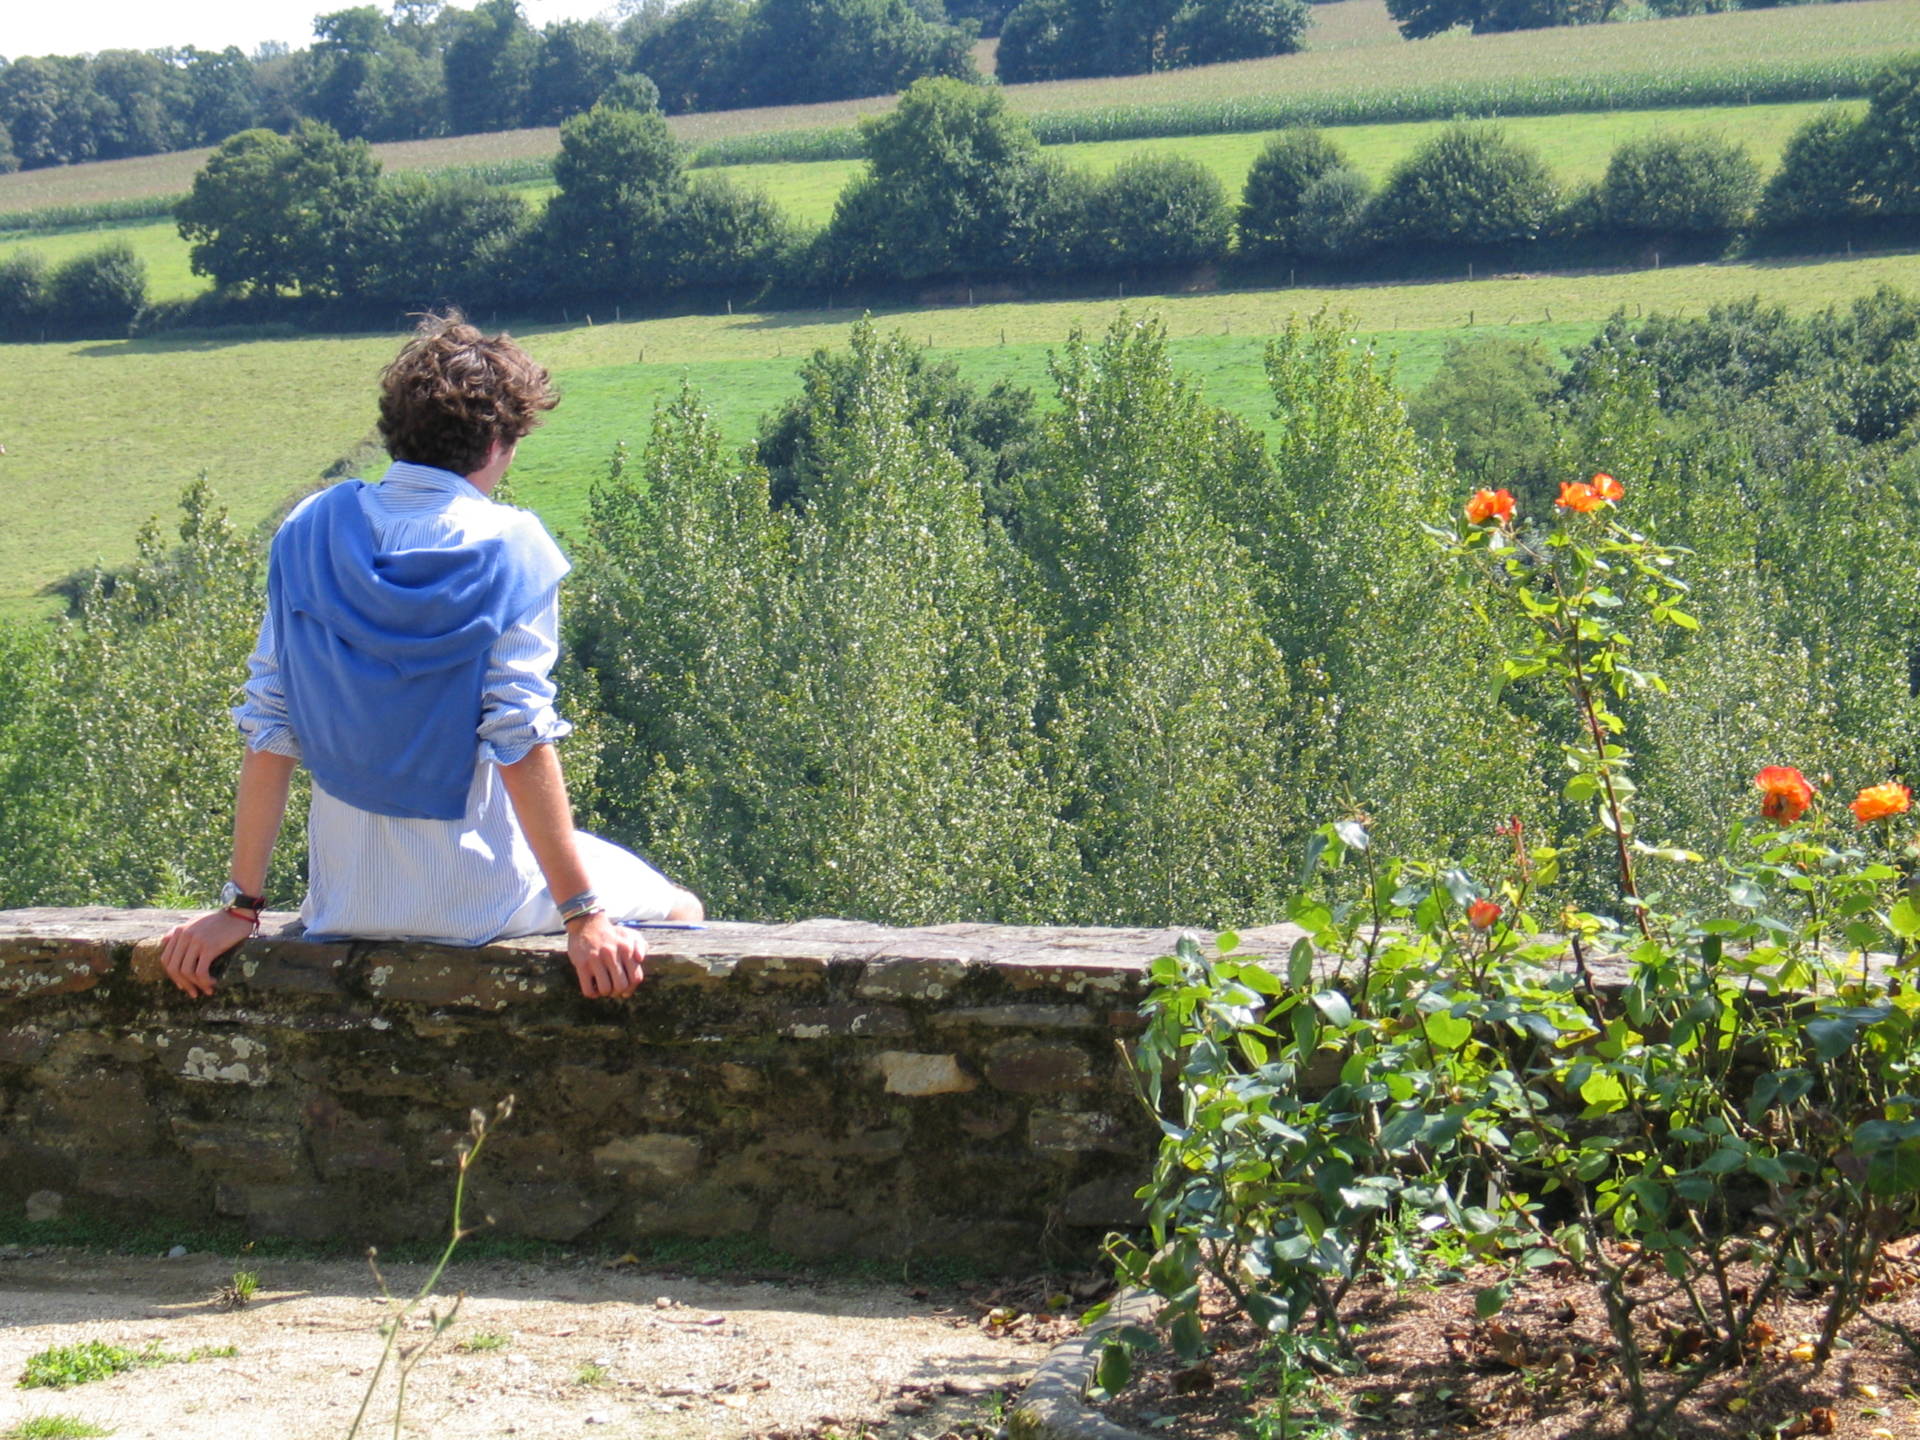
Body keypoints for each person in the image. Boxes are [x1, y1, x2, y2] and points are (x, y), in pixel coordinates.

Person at [158, 313, 701, 1000]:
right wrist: (583, 915)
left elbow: (271, 723)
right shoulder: (512, 546)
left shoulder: (306, 530)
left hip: (343, 904)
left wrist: (241, 906)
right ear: (501, 440)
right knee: (681, 910)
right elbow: (519, 736)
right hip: (480, 903)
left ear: (396, 429)